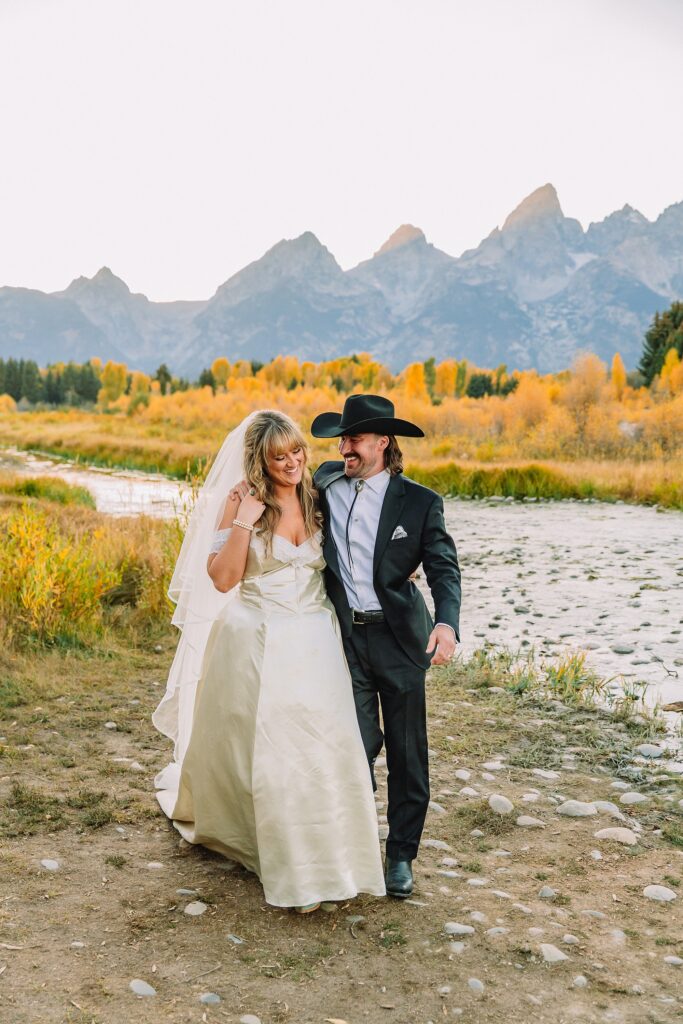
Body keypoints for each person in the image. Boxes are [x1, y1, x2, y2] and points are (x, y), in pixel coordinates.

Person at [152, 410, 386, 912]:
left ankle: (335, 855)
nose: (292, 462)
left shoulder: (319, 494)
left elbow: (360, 541)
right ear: (260, 460)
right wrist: (243, 520)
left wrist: (398, 572)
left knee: (324, 747)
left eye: (296, 451)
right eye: (279, 456)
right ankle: (284, 861)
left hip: (317, 639)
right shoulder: (241, 502)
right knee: (273, 752)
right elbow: (222, 579)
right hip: (258, 636)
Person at [311, 394, 461, 899]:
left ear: (382, 442)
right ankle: (353, 840)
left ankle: (400, 855)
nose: (344, 449)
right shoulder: (325, 482)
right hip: (346, 638)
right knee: (354, 744)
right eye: (342, 440)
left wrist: (447, 624)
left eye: (353, 440)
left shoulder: (419, 502)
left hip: (400, 639)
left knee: (406, 751)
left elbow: (442, 567)